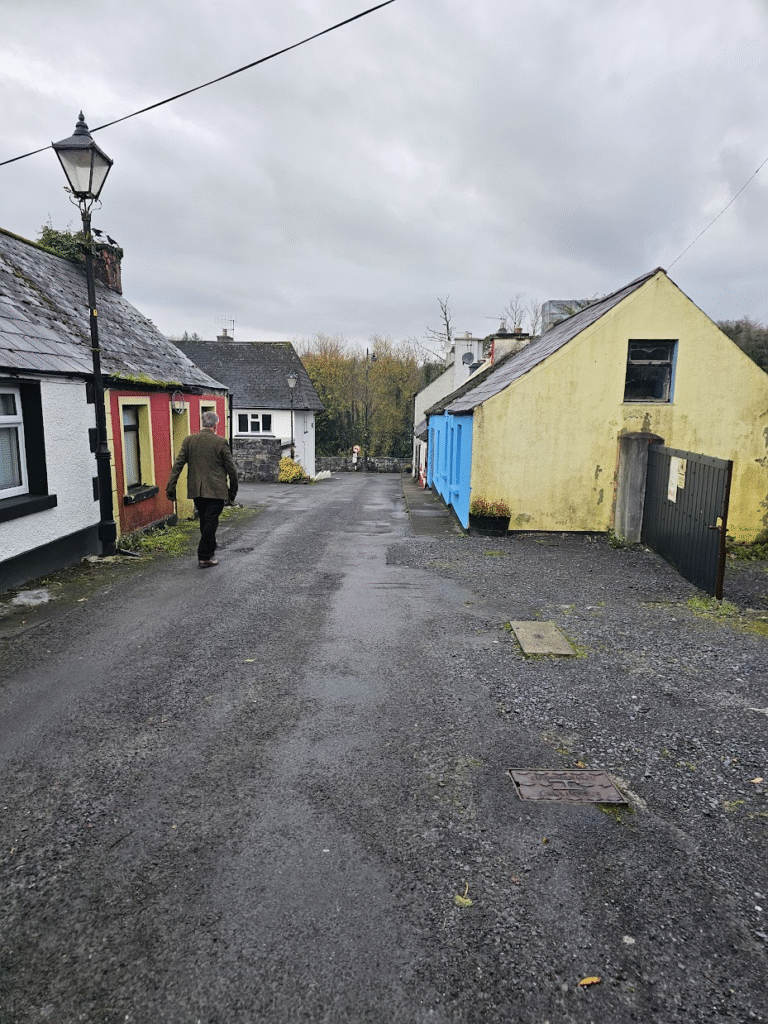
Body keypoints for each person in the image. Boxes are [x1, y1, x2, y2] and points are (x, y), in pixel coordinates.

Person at [166, 411, 238, 568]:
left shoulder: (189, 441)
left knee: (206, 520)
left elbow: (178, 465)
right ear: (216, 425)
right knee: (211, 521)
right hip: (216, 490)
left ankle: (210, 549)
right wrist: (232, 492)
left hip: (197, 490)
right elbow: (231, 470)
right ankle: (204, 557)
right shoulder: (220, 442)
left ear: (203, 424)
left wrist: (171, 487)